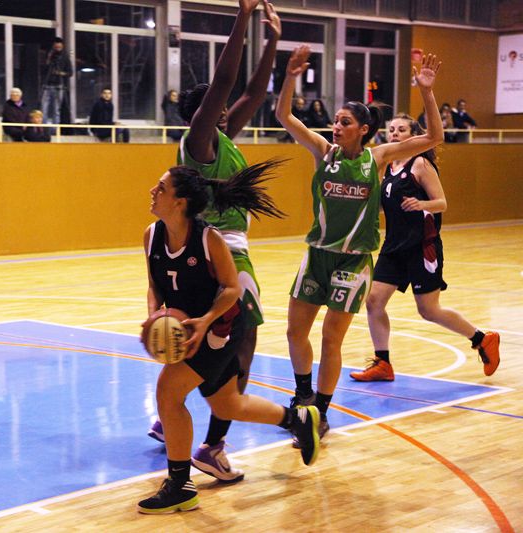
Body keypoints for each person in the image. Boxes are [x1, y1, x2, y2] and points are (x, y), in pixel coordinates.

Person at [275, 46, 444, 445]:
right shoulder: (323, 151)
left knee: (331, 338)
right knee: (295, 332)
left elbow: (435, 137)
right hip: (317, 254)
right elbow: (284, 116)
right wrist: (290, 78)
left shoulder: (378, 157)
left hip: (352, 262)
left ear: (363, 129)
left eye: (345, 122)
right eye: (335, 121)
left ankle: (320, 413)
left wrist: (426, 92)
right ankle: (303, 397)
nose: (336, 126)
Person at [147, 0, 281, 484]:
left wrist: (272, 39)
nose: (227, 109)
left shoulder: (222, 137)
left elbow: (253, 92)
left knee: (205, 338)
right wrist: (242, 17)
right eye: (219, 106)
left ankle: (170, 417)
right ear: (204, 112)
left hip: (212, 248)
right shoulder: (198, 142)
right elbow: (226, 83)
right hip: (221, 249)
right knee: (242, 340)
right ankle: (214, 446)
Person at [137, 163, 320, 514]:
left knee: (168, 391)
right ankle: (297, 420)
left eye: (161, 188)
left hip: (220, 329)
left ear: (180, 202)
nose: (153, 192)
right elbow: (154, 285)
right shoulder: (152, 235)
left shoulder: (208, 240)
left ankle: (180, 485)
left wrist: (205, 320)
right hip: (188, 329)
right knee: (227, 405)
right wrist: (153, 316)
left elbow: (232, 289)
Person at [349, 114, 500, 382]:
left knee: (428, 310)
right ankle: (383, 363)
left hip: (422, 246)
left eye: (401, 129)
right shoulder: (388, 166)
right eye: (391, 130)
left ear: (414, 135)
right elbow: (385, 205)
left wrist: (422, 205)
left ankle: (481, 339)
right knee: (373, 301)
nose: (395, 134)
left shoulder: (420, 164)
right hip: (393, 247)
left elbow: (442, 203)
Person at [41, 37, 73, 125]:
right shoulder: (49, 56)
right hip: (47, 85)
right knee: (43, 108)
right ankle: (43, 128)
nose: (58, 47)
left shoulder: (65, 57)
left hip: (59, 86)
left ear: (62, 46)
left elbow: (70, 73)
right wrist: (48, 58)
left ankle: (55, 129)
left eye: (59, 46)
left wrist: (60, 73)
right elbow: (44, 69)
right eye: (56, 46)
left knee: (56, 110)